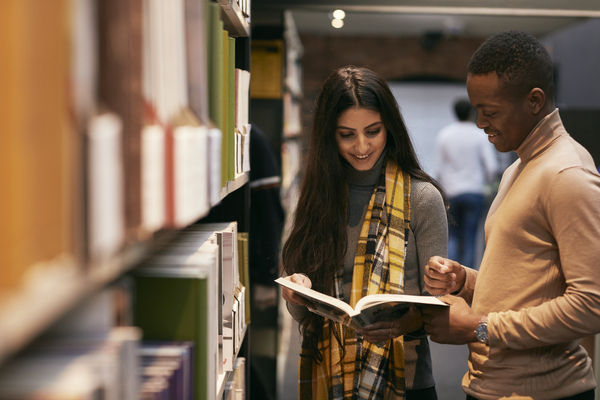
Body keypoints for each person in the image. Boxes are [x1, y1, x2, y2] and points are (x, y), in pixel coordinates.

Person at [421, 30, 600, 400]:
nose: (480, 123)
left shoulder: (566, 175)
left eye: (490, 111)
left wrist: (481, 328)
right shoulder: (518, 168)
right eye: (476, 110)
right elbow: (524, 284)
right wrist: (465, 280)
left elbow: (591, 305)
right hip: (496, 386)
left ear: (534, 100)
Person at [279, 65, 448, 399]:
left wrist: (404, 324)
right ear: (329, 135)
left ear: (390, 127)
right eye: (347, 134)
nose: (361, 146)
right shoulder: (317, 197)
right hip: (329, 377)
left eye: (373, 131)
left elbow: (440, 305)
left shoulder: (423, 198)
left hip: (405, 380)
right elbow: (300, 312)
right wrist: (297, 291)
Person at [434, 98, 499, 269]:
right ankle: (467, 278)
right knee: (471, 237)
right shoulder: (480, 135)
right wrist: (488, 188)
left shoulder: (445, 134)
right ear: (472, 113)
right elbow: (492, 167)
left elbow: (438, 170)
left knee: (453, 236)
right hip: (474, 192)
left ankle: (448, 275)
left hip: (452, 192)